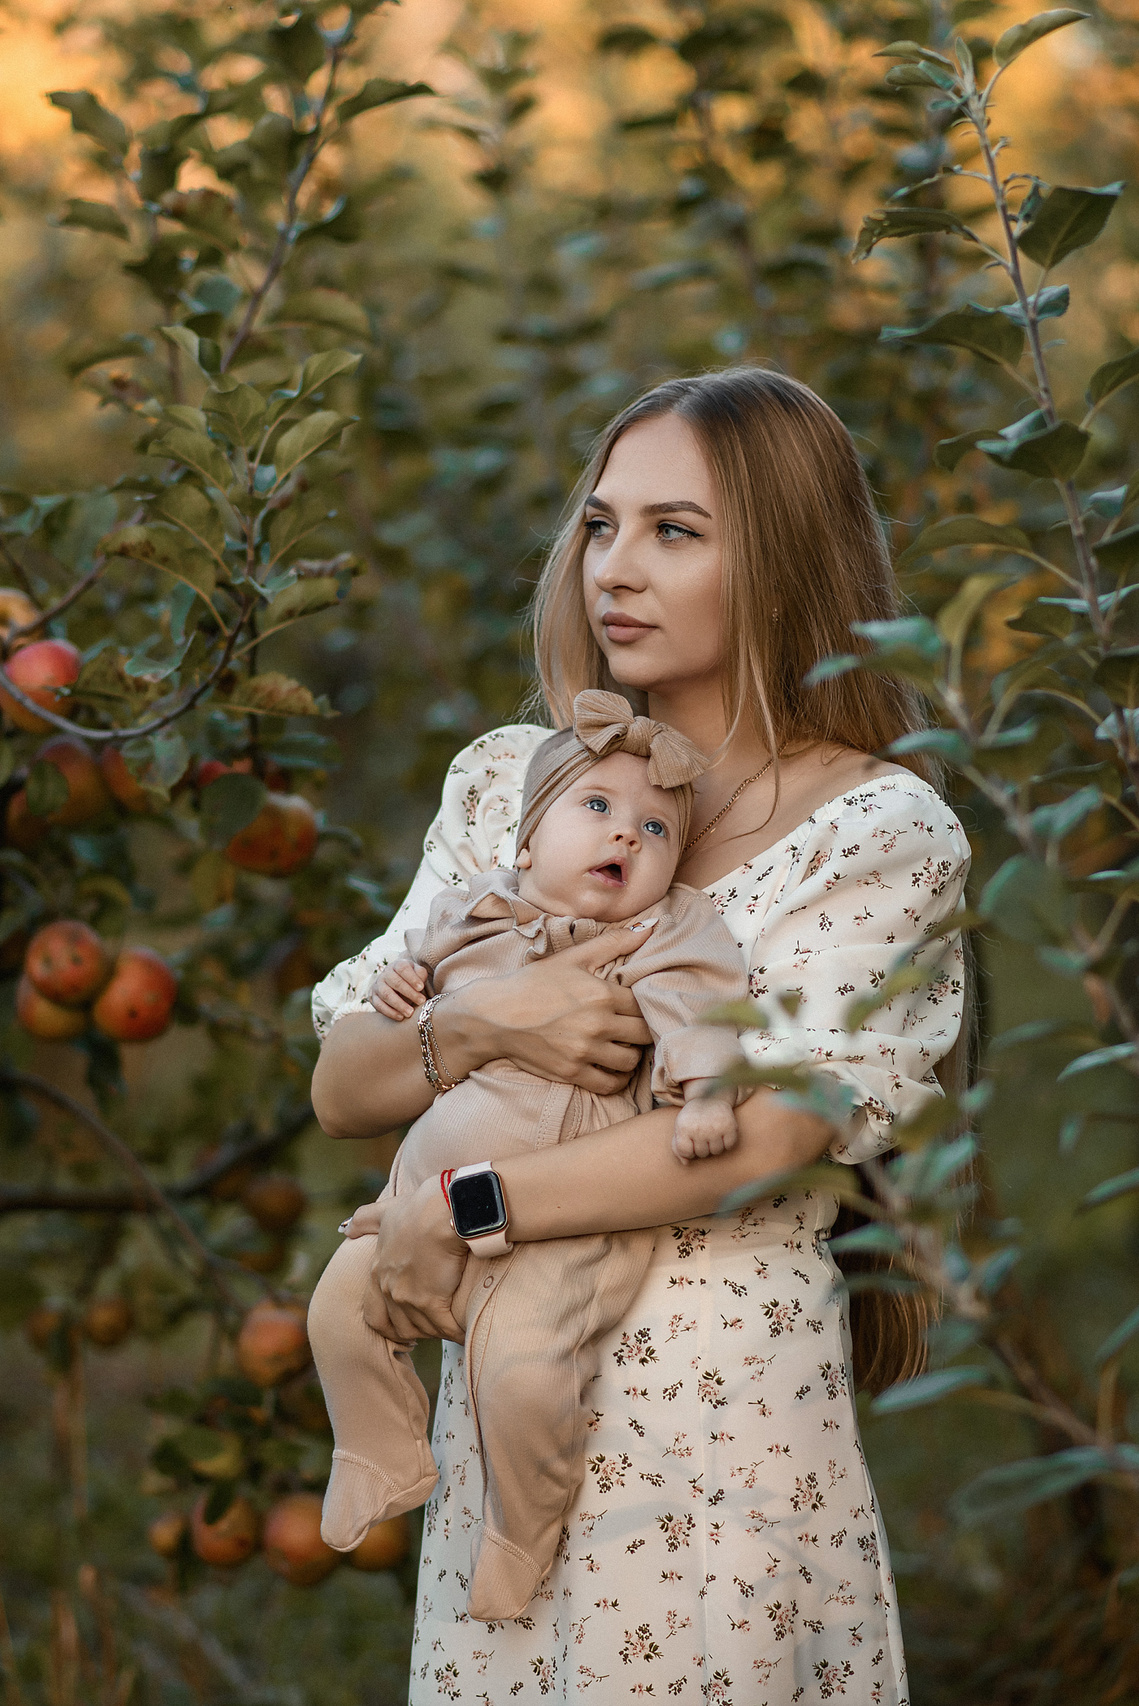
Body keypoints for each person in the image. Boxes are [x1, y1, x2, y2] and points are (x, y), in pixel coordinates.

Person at [310, 367, 969, 1704]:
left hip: (715, 1442)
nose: (614, 565)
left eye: (673, 530)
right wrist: (487, 1018)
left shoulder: (876, 830)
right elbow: (342, 1079)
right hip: (501, 1460)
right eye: (601, 524)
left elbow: (770, 1129)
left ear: (780, 566)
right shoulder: (519, 782)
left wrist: (470, 1203)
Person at [308, 691, 754, 1623]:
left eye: (655, 828)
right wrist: (406, 984)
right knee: (336, 1309)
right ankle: (377, 1450)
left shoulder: (667, 930)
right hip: (414, 1204)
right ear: (525, 837)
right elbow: (407, 991)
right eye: (595, 808)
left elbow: (707, 1011)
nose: (625, 837)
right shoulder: (476, 908)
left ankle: (520, 1534)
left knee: (520, 1370)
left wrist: (707, 1090)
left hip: (562, 1230)